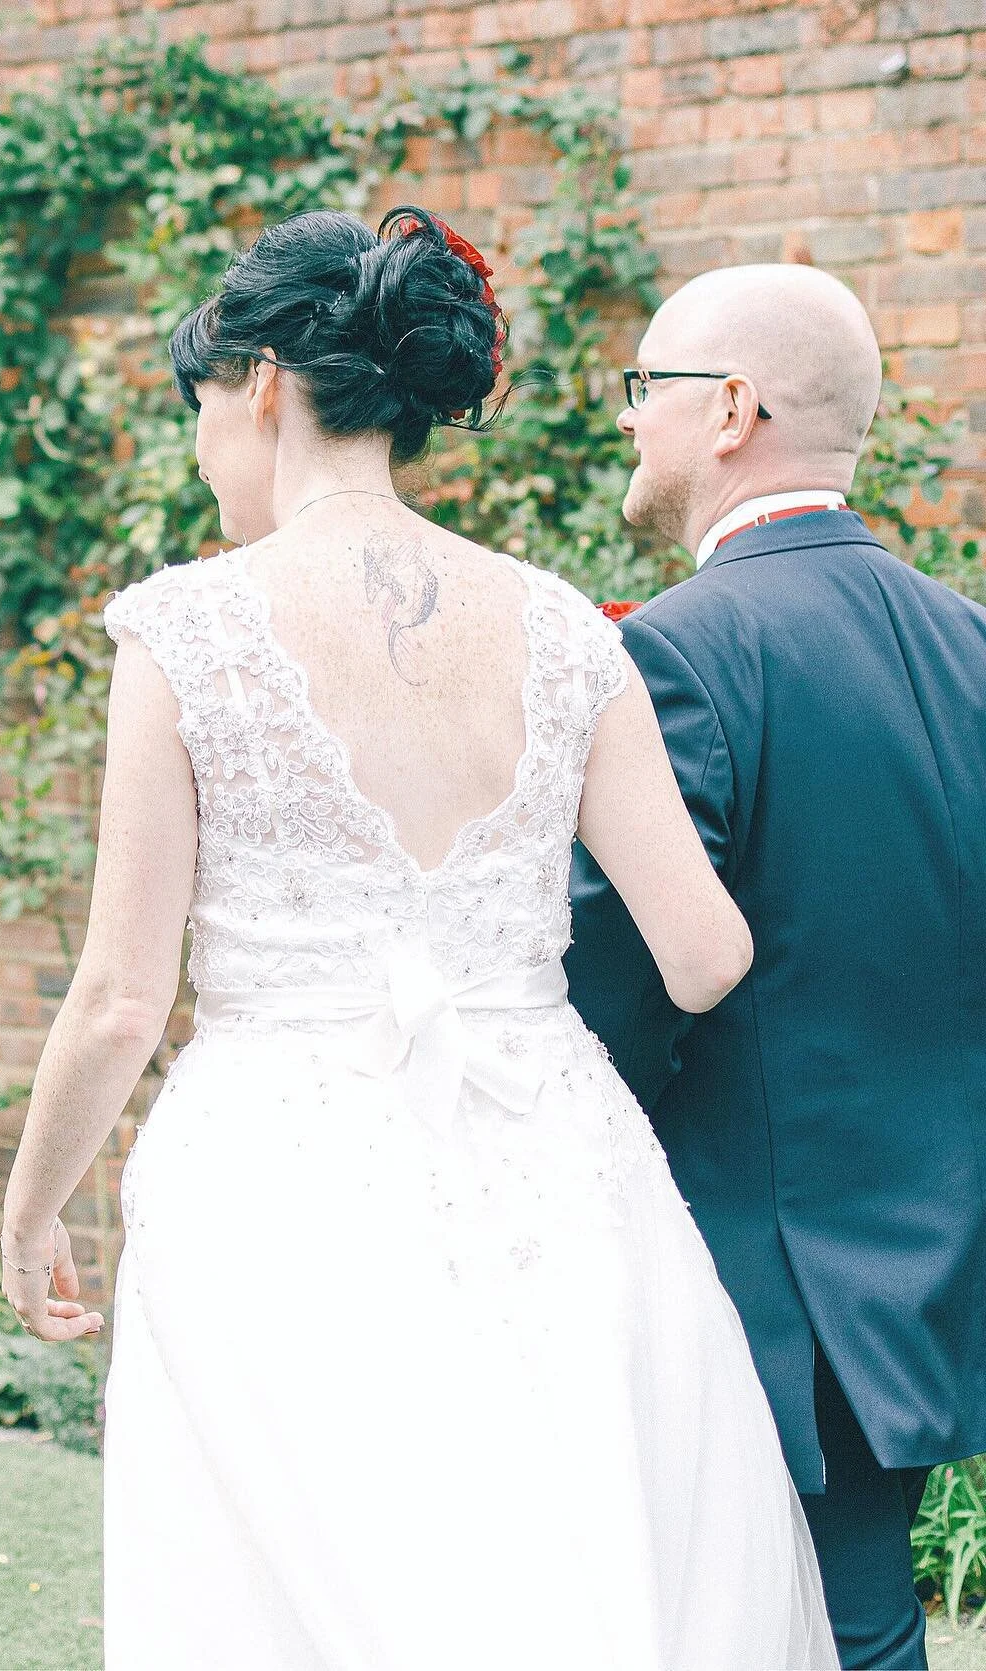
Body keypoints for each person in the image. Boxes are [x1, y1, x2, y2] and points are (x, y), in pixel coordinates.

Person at [0, 210, 836, 1669]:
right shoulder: (572, 630)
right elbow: (706, 953)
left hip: (277, 1170)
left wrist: (29, 1207)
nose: (204, 457)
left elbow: (125, 995)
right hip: (556, 1159)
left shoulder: (185, 630)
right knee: (570, 1569)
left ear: (261, 383)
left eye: (201, 412)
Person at [566, 262, 986, 1671]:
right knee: (858, 1631)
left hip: (759, 1277)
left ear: (732, 408)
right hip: (926, 1259)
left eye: (649, 387)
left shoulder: (682, 652)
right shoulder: (970, 644)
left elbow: (609, 983)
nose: (628, 420)